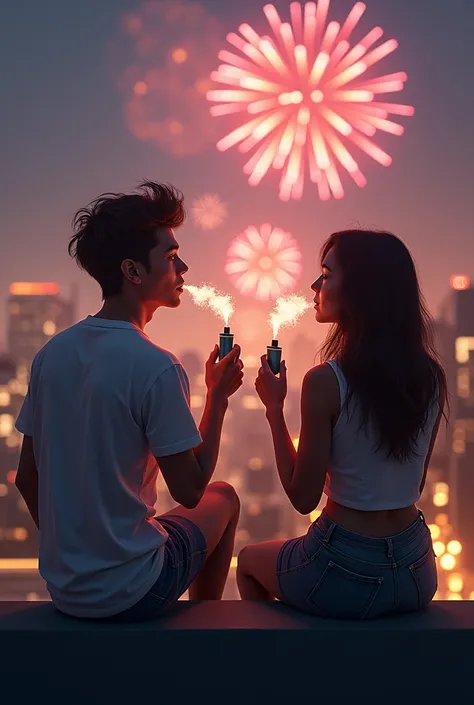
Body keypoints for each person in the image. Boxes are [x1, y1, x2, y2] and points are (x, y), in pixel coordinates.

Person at [14, 181, 243, 620]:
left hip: (67, 590)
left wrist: (79, 556)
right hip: (134, 591)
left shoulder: (51, 355)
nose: (185, 268)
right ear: (133, 271)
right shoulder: (157, 366)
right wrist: (217, 398)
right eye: (172, 257)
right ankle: (211, 628)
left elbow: (28, 476)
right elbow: (191, 491)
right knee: (224, 497)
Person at [237, 230, 446, 619]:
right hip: (417, 567)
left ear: (360, 289)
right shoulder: (432, 377)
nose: (316, 285)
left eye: (326, 274)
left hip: (342, 567)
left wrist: (274, 408)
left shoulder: (326, 381)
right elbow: (411, 486)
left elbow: (303, 499)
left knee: (248, 561)